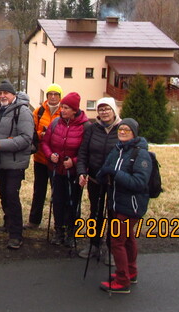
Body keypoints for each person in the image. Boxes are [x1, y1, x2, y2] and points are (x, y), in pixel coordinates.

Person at [96, 118, 152, 294]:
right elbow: (105, 169)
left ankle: (122, 280)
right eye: (121, 129)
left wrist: (115, 173)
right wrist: (102, 174)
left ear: (134, 133)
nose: (122, 132)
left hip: (131, 206)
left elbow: (139, 183)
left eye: (127, 130)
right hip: (116, 203)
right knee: (127, 239)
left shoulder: (141, 154)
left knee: (116, 241)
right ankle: (131, 272)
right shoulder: (117, 150)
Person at [0, 80, 33, 249]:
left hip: (15, 163)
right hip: (0, 162)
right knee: (4, 195)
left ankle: (16, 235)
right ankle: (8, 224)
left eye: (6, 93)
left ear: (13, 95)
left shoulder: (23, 111)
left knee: (12, 196)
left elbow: (26, 139)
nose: (3, 96)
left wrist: (0, 144)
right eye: (0, 93)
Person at [40, 91, 88, 250]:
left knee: (72, 202)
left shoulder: (85, 127)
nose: (62, 110)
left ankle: (71, 232)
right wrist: (50, 155)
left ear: (75, 110)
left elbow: (87, 150)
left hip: (74, 173)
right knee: (57, 201)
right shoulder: (55, 123)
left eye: (66, 108)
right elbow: (45, 143)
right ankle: (58, 230)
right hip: (56, 170)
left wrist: (74, 162)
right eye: (62, 107)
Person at [76, 96, 121, 260]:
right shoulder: (92, 129)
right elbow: (83, 153)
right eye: (101, 109)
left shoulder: (122, 128)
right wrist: (82, 171)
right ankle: (94, 244)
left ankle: (112, 248)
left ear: (113, 110)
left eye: (107, 109)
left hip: (116, 181)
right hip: (95, 178)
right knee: (95, 212)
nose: (104, 112)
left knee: (113, 215)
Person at [25, 83, 63, 230]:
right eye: (50, 94)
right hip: (41, 158)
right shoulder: (39, 111)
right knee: (39, 190)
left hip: (56, 159)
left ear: (60, 96)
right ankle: (34, 220)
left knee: (57, 192)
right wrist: (41, 135)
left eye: (56, 94)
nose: (53, 97)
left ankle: (58, 223)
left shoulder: (64, 111)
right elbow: (32, 131)